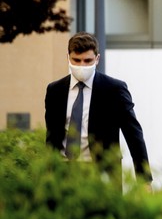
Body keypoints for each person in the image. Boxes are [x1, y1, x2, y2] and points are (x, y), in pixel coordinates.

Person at [44, 32, 152, 183]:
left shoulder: (114, 89)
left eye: (88, 61)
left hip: (102, 172)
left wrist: (144, 180)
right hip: (63, 171)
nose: (82, 65)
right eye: (77, 60)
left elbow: (134, 135)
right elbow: (52, 137)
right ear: (68, 58)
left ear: (97, 59)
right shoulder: (55, 90)